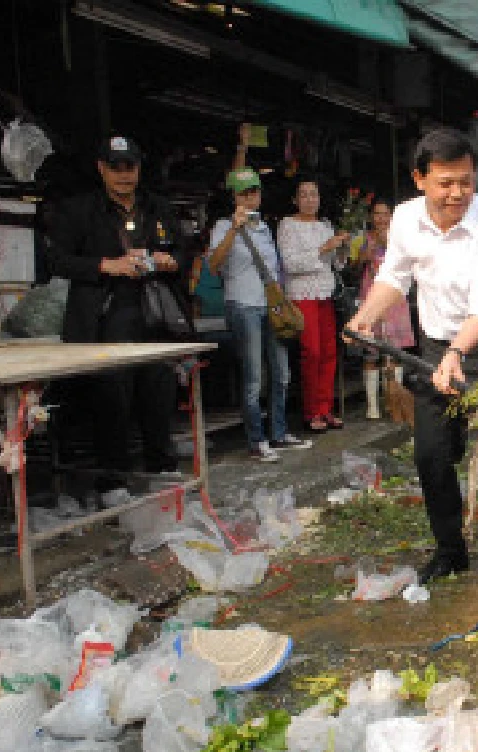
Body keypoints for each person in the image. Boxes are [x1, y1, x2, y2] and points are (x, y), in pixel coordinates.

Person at [345, 128, 478, 629]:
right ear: (420, 179)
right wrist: (367, 315)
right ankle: (451, 551)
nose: (456, 194)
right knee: (432, 457)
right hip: (436, 347)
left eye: (466, 183)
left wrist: (457, 352)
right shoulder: (407, 218)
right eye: (445, 183)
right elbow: (394, 276)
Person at [48, 135, 185, 493]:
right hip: (105, 314)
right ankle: (114, 480)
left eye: (130, 167)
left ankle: (161, 467)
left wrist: (171, 260)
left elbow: (184, 250)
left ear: (139, 168)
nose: (124, 175)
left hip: (154, 313)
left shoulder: (157, 207)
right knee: (112, 397)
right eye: (116, 167)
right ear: (101, 169)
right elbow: (57, 260)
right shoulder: (80, 210)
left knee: (158, 391)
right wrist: (107, 265)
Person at [209, 167, 312, 462]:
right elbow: (214, 265)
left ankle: (278, 433)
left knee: (281, 373)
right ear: (233, 197)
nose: (251, 197)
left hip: (270, 306)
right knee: (254, 376)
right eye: (244, 192)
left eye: (254, 190)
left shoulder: (264, 227)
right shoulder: (222, 226)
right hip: (242, 304)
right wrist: (233, 229)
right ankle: (256, 440)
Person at [277, 177, 351, 433]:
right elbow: (290, 264)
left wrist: (342, 248)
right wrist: (323, 248)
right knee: (312, 353)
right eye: (305, 195)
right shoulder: (287, 225)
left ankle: (326, 407)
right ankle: (311, 412)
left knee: (330, 351)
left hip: (324, 293)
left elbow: (337, 264)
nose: (310, 200)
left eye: (314, 195)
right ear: (295, 199)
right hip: (302, 294)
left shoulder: (325, 225)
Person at [357, 200, 417, 419]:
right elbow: (358, 261)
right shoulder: (366, 237)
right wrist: (371, 246)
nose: (381, 218)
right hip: (371, 293)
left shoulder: (400, 238)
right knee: (371, 351)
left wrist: (389, 243)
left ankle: (394, 402)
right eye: (377, 214)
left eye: (385, 214)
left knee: (393, 352)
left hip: (393, 297)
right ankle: (372, 406)